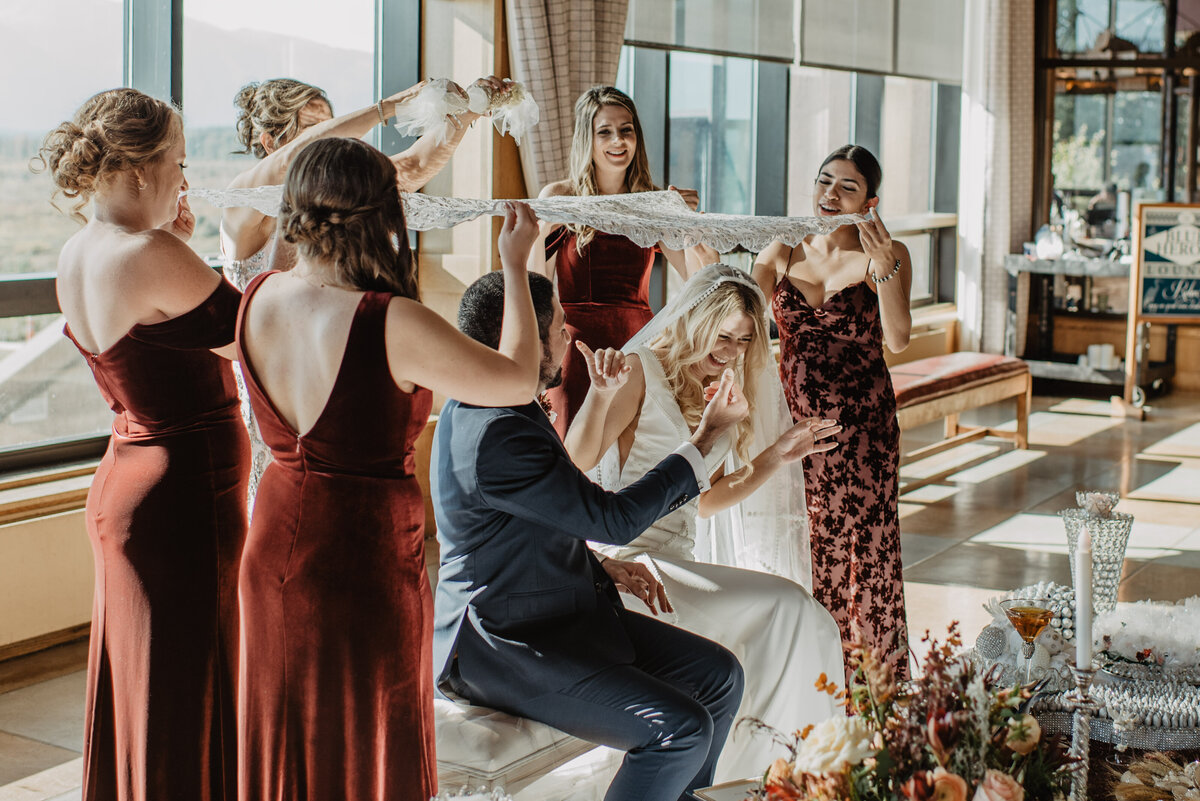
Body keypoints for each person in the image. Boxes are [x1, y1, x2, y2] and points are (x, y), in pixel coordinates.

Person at [234, 137, 542, 801]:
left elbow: (280, 250)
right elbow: (518, 379)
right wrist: (515, 268)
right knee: (364, 728)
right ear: (384, 215)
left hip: (273, 541)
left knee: (289, 724)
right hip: (359, 558)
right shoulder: (390, 320)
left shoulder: (258, 296)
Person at [433, 270, 747, 801]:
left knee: (720, 675)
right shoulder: (496, 432)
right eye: (557, 324)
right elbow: (612, 519)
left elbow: (530, 517)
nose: (569, 330)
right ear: (523, 339)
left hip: (559, 611)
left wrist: (598, 565)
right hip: (503, 643)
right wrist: (704, 439)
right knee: (679, 729)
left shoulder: (506, 406)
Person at [37, 87, 249, 801]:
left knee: (145, 683)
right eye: (179, 163)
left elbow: (158, 332)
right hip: (184, 498)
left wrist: (183, 250)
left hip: (126, 481)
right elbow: (257, 336)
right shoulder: (151, 250)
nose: (185, 181)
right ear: (137, 172)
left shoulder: (78, 250)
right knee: (190, 684)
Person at [565, 263, 846, 780]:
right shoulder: (638, 371)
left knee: (794, 621)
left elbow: (705, 501)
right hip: (630, 564)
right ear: (693, 319)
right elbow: (574, 464)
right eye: (723, 336)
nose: (732, 351)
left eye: (743, 341)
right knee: (791, 610)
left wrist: (778, 455)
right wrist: (601, 395)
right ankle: (786, 775)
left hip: (681, 562)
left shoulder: (715, 390)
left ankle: (774, 772)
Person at [221, 76, 510, 508]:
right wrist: (387, 107)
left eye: (330, 126)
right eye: (312, 131)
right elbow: (289, 164)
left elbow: (410, 169)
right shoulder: (246, 204)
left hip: (340, 381)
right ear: (269, 142)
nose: (327, 143)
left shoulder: (334, 198)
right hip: (277, 397)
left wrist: (470, 110)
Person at [752, 144, 912, 681]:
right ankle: (817, 678)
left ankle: (876, 684)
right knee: (809, 542)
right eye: (825, 180)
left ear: (870, 202)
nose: (830, 193)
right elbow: (741, 320)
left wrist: (886, 269)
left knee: (867, 552)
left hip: (865, 428)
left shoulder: (885, 257)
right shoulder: (780, 252)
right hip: (794, 427)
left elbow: (900, 336)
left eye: (847, 186)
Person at [528, 85, 718, 435]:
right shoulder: (561, 196)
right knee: (575, 445)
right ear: (588, 138)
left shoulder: (652, 202)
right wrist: (540, 230)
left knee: (633, 452)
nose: (618, 141)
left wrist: (690, 225)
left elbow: (697, 280)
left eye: (626, 130)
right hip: (577, 348)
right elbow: (534, 283)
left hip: (638, 345)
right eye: (605, 131)